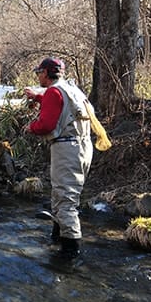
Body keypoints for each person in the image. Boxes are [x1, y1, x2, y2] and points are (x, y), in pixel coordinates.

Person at [23, 57, 93, 260]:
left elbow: (46, 125)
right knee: (63, 196)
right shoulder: (72, 89)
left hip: (67, 148)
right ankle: (57, 239)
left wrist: (31, 127)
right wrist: (37, 97)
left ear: (46, 73)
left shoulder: (54, 92)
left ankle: (69, 255)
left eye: (39, 72)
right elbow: (64, 108)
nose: (38, 76)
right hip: (82, 146)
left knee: (65, 202)